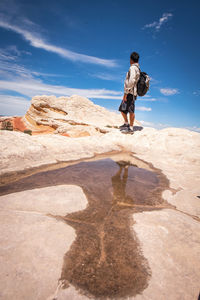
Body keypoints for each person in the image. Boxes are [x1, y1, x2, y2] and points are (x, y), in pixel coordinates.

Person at [119, 52, 140, 134]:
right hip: (130, 92)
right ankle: (126, 123)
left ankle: (130, 129)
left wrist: (126, 93)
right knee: (122, 109)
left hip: (130, 92)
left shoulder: (133, 68)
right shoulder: (137, 68)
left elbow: (132, 81)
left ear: (131, 59)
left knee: (131, 110)